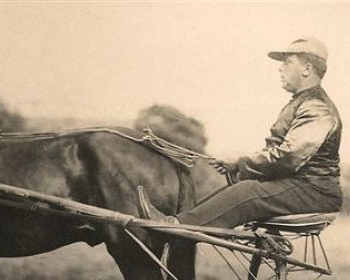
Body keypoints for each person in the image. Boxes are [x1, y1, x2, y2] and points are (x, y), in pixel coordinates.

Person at [138, 36, 343, 228]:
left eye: (287, 63)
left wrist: (240, 163)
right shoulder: (303, 102)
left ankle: (173, 226)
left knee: (247, 192)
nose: (280, 69)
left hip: (314, 191)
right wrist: (239, 168)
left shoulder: (317, 108)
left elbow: (288, 157)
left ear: (307, 69)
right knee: (229, 190)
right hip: (302, 187)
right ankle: (179, 225)